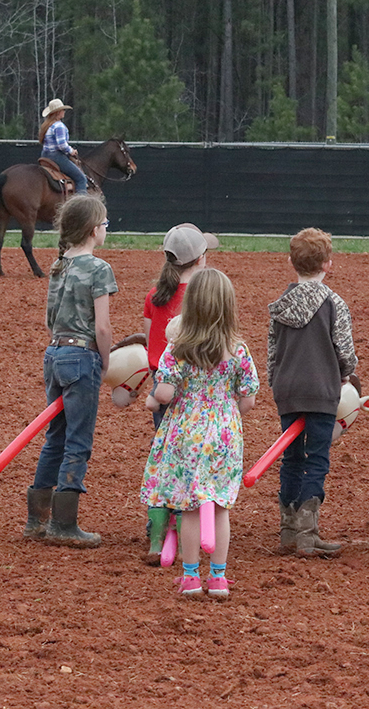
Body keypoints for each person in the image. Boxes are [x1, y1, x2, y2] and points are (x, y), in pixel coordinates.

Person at [141, 268, 259, 598]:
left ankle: (191, 576)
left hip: (185, 432)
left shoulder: (177, 348)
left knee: (189, 507)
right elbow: (248, 399)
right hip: (224, 433)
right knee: (220, 506)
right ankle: (218, 577)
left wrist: (157, 397)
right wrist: (227, 412)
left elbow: (163, 394)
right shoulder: (239, 350)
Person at [24, 195, 115, 548]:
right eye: (106, 223)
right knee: (78, 440)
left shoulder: (59, 265)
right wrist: (105, 360)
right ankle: (64, 523)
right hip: (82, 357)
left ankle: (37, 519)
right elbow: (103, 328)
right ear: (94, 230)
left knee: (55, 438)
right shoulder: (98, 269)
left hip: (55, 354)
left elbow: (50, 319)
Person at [267, 227, 358, 557]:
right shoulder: (334, 303)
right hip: (321, 389)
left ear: (291, 262)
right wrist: (347, 373)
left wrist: (274, 381)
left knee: (290, 459)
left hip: (288, 390)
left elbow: (273, 350)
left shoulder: (280, 305)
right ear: (328, 264)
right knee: (316, 457)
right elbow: (344, 349)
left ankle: (288, 530)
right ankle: (308, 532)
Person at [140, 223, 219, 564]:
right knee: (197, 460)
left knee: (165, 458)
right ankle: (191, 520)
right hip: (198, 388)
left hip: (163, 383)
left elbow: (150, 342)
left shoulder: (155, 294)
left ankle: (159, 532)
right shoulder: (203, 297)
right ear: (202, 258)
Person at [39, 98, 88, 194]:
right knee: (81, 178)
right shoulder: (59, 126)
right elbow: (62, 145)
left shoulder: (46, 125)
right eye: (63, 110)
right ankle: (80, 205)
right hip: (56, 157)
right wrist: (71, 151)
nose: (64, 112)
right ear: (58, 112)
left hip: (45, 155)